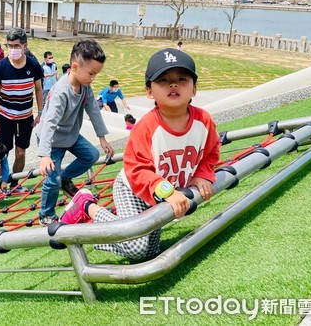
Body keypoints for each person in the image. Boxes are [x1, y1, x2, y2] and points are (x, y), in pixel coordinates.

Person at [60, 48, 220, 261]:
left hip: (161, 193)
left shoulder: (204, 121)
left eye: (182, 79)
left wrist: (202, 173)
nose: (173, 85)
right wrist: (167, 192)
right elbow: (138, 169)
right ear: (149, 92)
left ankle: (114, 222)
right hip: (134, 189)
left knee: (151, 252)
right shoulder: (146, 127)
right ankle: (87, 207)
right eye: (163, 80)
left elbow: (211, 152)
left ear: (194, 89)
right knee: (138, 250)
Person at [36, 40, 114, 225]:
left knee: (91, 155)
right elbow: (49, 123)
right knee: (52, 180)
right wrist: (44, 154)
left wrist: (102, 138)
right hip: (52, 140)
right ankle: (46, 215)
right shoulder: (61, 92)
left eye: (96, 74)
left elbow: (93, 110)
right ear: (75, 67)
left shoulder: (85, 86)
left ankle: (66, 178)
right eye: (91, 73)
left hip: (70, 135)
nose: (93, 78)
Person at [0, 28, 43, 190]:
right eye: (9, 46)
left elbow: (39, 89)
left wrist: (40, 112)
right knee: (2, 154)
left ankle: (14, 184)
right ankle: (1, 185)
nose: (12, 49)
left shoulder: (34, 65)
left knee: (21, 152)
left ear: (25, 46)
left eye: (16, 46)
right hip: (5, 118)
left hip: (26, 118)